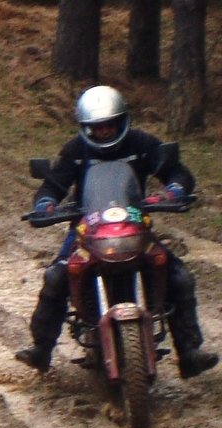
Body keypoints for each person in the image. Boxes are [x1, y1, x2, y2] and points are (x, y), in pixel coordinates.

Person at [16, 85, 218, 379]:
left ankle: (188, 353)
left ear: (122, 120)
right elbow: (54, 184)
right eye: (97, 127)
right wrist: (46, 203)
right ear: (86, 127)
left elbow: (177, 171)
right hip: (87, 229)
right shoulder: (75, 151)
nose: (105, 131)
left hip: (135, 225)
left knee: (178, 275)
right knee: (57, 276)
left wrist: (174, 189)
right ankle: (42, 350)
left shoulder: (142, 143)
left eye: (110, 124)